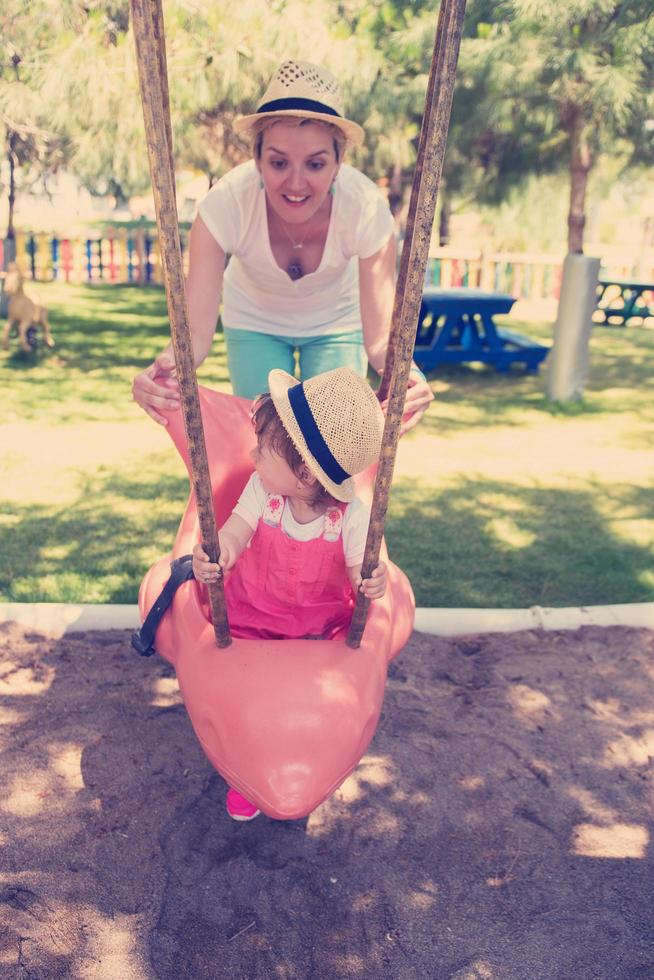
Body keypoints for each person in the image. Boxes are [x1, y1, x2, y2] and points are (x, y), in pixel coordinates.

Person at [132, 59, 433, 432]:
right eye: (278, 162)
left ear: (339, 163)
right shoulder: (224, 205)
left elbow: (380, 343)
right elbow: (193, 336)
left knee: (332, 442)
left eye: (315, 164)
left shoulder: (367, 209)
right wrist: (162, 369)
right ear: (256, 159)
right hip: (255, 320)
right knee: (265, 440)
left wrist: (409, 375)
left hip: (336, 323)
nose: (295, 183)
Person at [191, 366, 388, 820]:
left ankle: (303, 764)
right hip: (253, 619)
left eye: (262, 451)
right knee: (245, 697)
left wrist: (371, 582)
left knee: (303, 702)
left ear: (303, 474)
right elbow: (236, 532)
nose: (252, 455)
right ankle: (246, 772)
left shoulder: (354, 518)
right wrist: (217, 553)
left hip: (317, 630)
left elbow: (361, 570)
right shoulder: (263, 491)